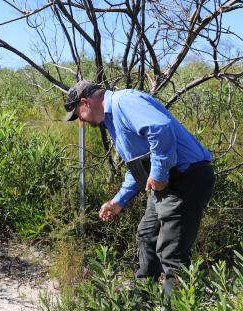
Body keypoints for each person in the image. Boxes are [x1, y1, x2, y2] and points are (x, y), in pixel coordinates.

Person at [64, 80, 215, 297]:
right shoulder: (112, 121)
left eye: (79, 114)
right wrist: (119, 200)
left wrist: (158, 174)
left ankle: (175, 310)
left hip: (187, 178)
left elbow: (160, 129)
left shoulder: (124, 101)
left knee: (171, 251)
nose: (82, 121)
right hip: (167, 182)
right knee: (147, 234)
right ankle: (145, 299)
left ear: (86, 102)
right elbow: (138, 165)